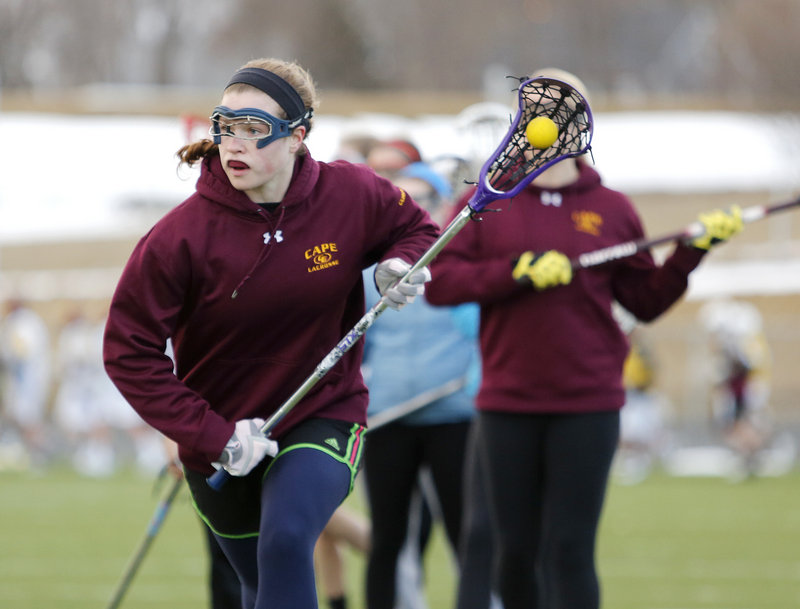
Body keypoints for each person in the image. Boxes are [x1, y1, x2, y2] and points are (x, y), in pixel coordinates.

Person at [103, 57, 439, 609]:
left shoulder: (351, 192)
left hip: (323, 414)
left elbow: (417, 228)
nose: (233, 143)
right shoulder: (177, 237)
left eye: (254, 128)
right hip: (219, 444)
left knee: (285, 543)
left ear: (296, 137)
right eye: (224, 125)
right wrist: (213, 436)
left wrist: (396, 266)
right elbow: (127, 351)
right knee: (259, 585)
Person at [425, 67, 744, 609]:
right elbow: (441, 284)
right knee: (514, 553)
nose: (545, 118)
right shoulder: (485, 200)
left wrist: (691, 252)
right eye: (534, 107)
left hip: (589, 403)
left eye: (562, 107)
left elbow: (645, 300)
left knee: (570, 550)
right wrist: (516, 272)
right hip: (507, 403)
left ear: (583, 121)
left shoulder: (612, 208)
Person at [360, 161, 482, 609]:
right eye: (403, 199)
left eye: (423, 198)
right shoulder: (371, 272)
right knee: (387, 539)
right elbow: (358, 348)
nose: (413, 208)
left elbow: (484, 331)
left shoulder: (460, 265)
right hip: (388, 419)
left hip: (455, 418)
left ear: (443, 205)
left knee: (466, 533)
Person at [0, 298, 52, 469]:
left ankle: (39, 454)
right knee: (17, 416)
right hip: (21, 380)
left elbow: (21, 350)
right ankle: (29, 452)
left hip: (28, 380)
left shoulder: (25, 323)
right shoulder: (20, 321)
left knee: (29, 418)